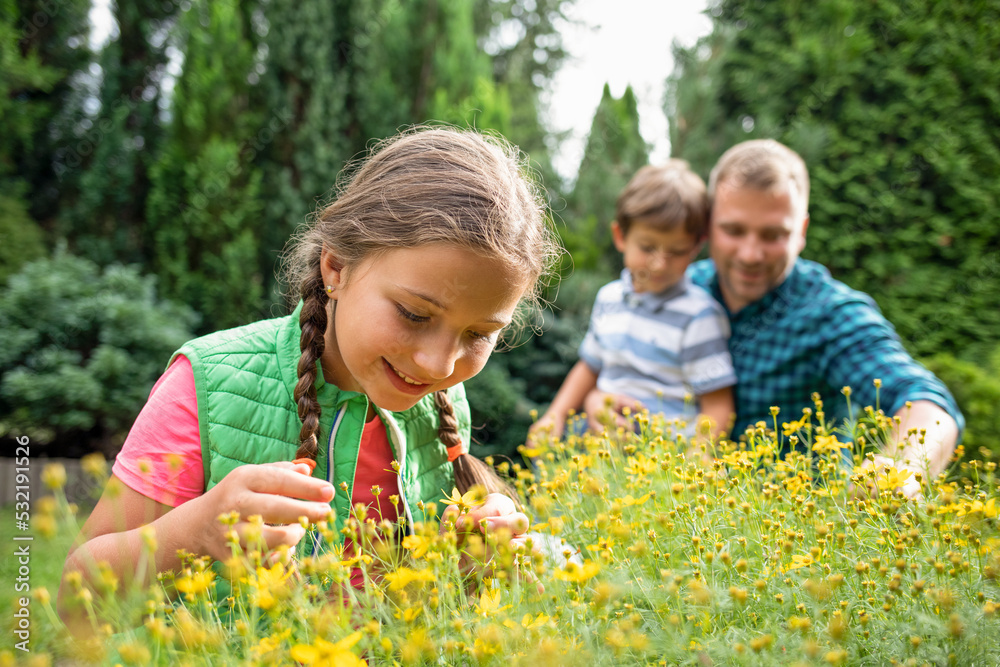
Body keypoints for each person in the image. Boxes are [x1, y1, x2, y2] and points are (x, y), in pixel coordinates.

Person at [59, 128, 561, 628]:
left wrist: (471, 565)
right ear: (335, 267)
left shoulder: (443, 404)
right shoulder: (207, 383)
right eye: (413, 314)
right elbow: (73, 599)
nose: (438, 365)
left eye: (477, 334)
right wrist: (194, 531)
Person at [669, 138, 961, 497]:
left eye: (773, 235)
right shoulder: (680, 290)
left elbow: (926, 402)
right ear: (709, 226)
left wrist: (904, 469)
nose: (750, 253)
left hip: (791, 530)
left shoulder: (829, 313)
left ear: (802, 232)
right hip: (671, 513)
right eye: (733, 230)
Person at [531, 161, 736, 443]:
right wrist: (554, 416)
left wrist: (698, 459)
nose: (659, 264)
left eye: (677, 251)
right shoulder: (609, 298)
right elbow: (590, 366)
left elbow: (717, 404)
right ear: (620, 237)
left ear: (695, 248)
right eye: (647, 247)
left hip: (664, 458)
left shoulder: (698, 315)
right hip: (602, 440)